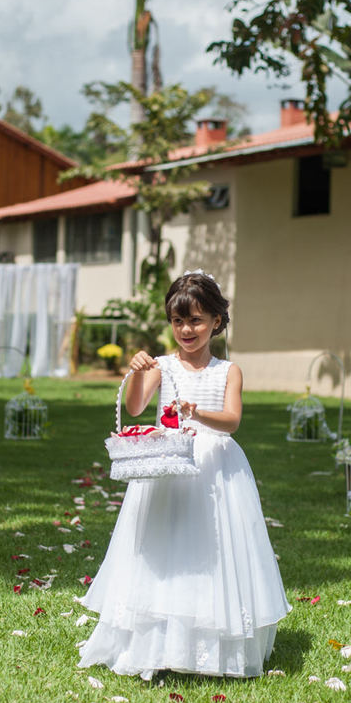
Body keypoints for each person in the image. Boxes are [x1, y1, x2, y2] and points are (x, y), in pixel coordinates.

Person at [78, 270, 289, 679]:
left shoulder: (229, 370)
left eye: (195, 320)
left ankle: (210, 644)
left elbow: (231, 421)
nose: (186, 330)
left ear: (216, 321)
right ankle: (156, 640)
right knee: (164, 549)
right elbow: (135, 408)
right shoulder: (162, 366)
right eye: (178, 321)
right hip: (170, 465)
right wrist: (137, 372)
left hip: (215, 468)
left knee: (210, 551)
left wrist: (196, 412)